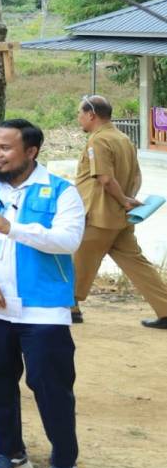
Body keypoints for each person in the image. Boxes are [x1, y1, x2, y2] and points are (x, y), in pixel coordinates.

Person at [0, 118, 87, 468]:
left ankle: (64, 461)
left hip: (43, 308)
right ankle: (8, 454)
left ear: (31, 151)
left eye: (5, 148)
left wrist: (15, 229)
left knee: (50, 383)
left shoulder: (61, 191)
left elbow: (68, 240)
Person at [72, 94, 167, 327]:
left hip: (98, 217)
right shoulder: (124, 139)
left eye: (80, 113)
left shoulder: (98, 141)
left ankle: (69, 308)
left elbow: (105, 178)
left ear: (91, 115)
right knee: (138, 264)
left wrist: (124, 200)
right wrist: (127, 201)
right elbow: (136, 176)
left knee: (77, 261)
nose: (78, 118)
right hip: (120, 218)